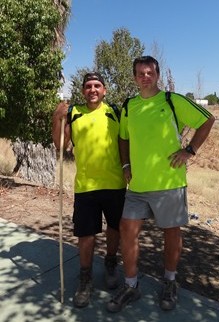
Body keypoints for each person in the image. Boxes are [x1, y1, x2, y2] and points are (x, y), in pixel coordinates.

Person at [106, 56, 215, 312]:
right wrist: (125, 166)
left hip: (169, 183)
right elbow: (123, 138)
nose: (145, 77)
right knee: (127, 231)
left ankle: (169, 282)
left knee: (171, 234)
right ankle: (131, 286)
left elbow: (207, 120)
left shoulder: (171, 100)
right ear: (134, 77)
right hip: (138, 187)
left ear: (157, 75)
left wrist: (190, 150)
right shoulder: (129, 106)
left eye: (150, 72)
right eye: (140, 73)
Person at [52, 72, 126, 308]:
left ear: (104, 90)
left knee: (115, 229)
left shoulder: (115, 111)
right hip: (86, 187)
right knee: (86, 234)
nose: (92, 89)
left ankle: (111, 263)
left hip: (115, 184)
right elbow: (61, 145)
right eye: (88, 86)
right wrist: (57, 118)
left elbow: (127, 141)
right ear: (82, 90)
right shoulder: (73, 113)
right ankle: (85, 279)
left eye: (97, 85)